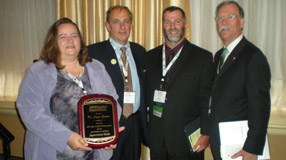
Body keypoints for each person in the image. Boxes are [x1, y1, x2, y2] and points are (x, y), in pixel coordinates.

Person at [17, 17, 123, 160]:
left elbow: (113, 101)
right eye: (63, 36)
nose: (70, 40)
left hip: (94, 153)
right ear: (53, 42)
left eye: (74, 36)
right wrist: (66, 137)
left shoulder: (96, 67)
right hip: (54, 153)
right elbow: (30, 113)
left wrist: (108, 134)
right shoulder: (37, 72)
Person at [146, 6, 214, 160]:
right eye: (168, 22)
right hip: (157, 141)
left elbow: (207, 100)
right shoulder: (149, 57)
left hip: (188, 140)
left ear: (185, 24)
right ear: (162, 25)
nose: (172, 27)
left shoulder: (202, 58)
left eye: (177, 21)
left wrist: (206, 133)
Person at [209, 1, 271, 160]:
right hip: (221, 141)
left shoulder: (253, 57)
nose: (224, 22)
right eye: (220, 18)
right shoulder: (218, 56)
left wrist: (252, 148)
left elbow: (260, 108)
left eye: (230, 17)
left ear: (241, 22)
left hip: (241, 146)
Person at [88, 5, 148, 160]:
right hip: (108, 125)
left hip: (134, 124)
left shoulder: (140, 51)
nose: (122, 26)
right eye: (116, 21)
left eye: (126, 21)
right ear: (108, 26)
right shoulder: (93, 53)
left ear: (131, 25)